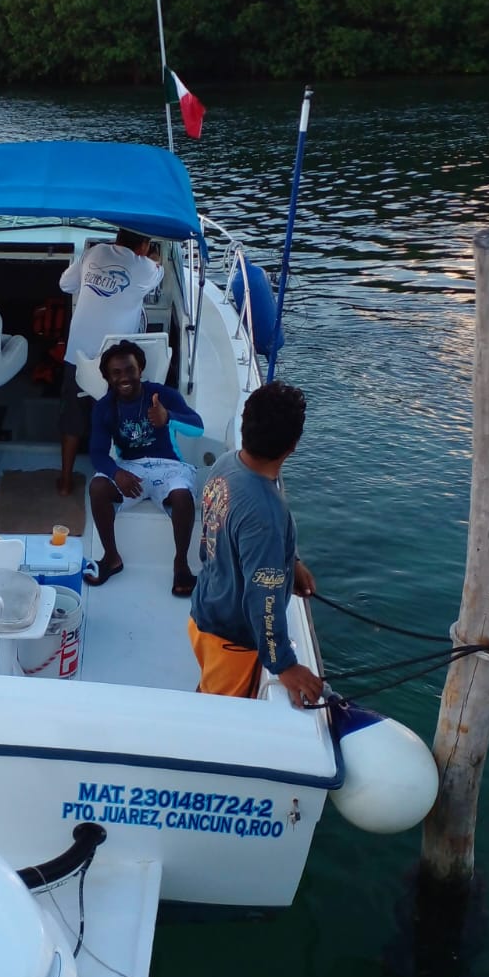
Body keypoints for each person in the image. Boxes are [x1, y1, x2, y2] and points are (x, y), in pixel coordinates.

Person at [188, 381, 325, 708]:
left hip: (203, 613)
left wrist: (290, 562)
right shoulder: (265, 513)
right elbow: (262, 599)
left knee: (209, 690)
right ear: (292, 446)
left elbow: (221, 535)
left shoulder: (226, 463)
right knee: (216, 716)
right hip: (231, 642)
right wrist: (285, 665)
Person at [83, 339, 203, 596]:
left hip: (169, 465)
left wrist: (168, 418)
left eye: (129, 370)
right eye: (116, 373)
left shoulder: (163, 394)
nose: (124, 377)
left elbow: (197, 427)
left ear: (141, 370)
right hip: (130, 467)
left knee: (182, 496)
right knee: (98, 486)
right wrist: (117, 472)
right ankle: (111, 557)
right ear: (107, 377)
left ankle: (181, 565)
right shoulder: (104, 407)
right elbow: (97, 452)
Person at [57, 226, 163, 495]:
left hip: (78, 358)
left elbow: (65, 284)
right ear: (144, 246)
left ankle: (66, 481)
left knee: (72, 419)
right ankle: (117, 481)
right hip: (114, 366)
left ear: (116, 238)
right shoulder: (146, 268)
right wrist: (152, 259)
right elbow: (157, 269)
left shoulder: (93, 252)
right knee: (118, 418)